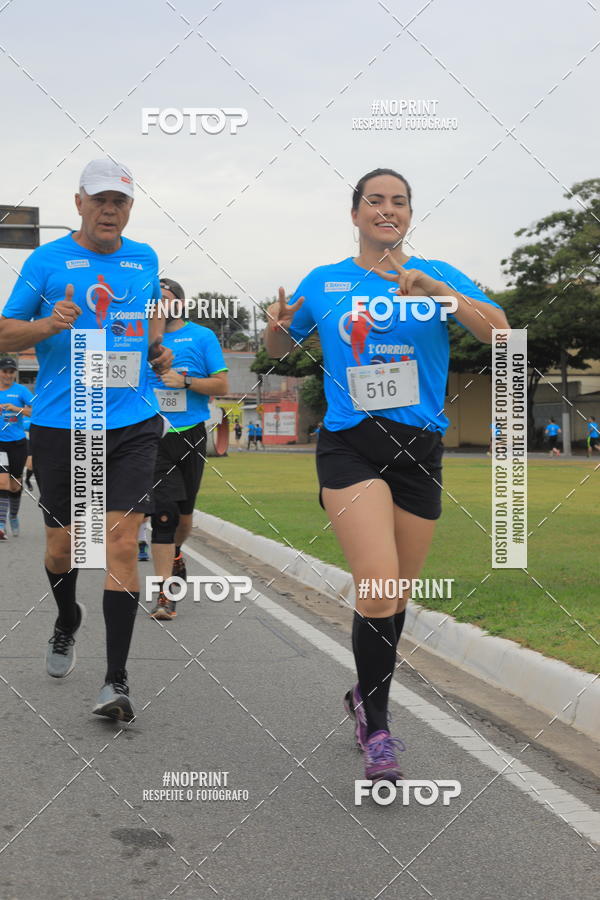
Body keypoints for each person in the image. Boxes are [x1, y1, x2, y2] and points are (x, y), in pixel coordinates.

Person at [264, 167, 509, 782]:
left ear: (409, 214)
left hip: (419, 449)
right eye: (375, 201)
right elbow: (277, 350)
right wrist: (272, 326)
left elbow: (504, 334)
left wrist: (436, 290)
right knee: (376, 583)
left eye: (399, 202)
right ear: (355, 214)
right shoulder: (325, 282)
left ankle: (362, 695)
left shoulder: (434, 275)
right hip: (350, 446)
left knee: (394, 593)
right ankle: (378, 725)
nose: (387, 210)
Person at [0, 158, 171, 722]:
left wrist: (155, 351)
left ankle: (115, 681)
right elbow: (4, 329)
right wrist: (48, 325)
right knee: (63, 548)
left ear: (129, 208)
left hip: (131, 420)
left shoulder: (144, 258)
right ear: (79, 203)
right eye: (99, 200)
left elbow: (146, 324)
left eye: (119, 201)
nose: (108, 209)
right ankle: (67, 618)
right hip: (60, 423)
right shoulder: (44, 261)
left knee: (121, 542)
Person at [147, 277, 228, 620]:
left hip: (190, 433)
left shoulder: (202, 336)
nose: (161, 305)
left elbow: (222, 384)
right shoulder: (142, 338)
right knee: (162, 516)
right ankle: (165, 595)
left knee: (184, 519)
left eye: (167, 299)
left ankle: (177, 552)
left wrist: (186, 381)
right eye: (156, 300)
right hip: (152, 436)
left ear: (179, 303)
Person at [0, 357, 33, 539]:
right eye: (5, 371)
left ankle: (13, 516)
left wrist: (16, 408)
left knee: (14, 486)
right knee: (2, 482)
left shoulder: (21, 391)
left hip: (18, 443)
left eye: (11, 372)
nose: (8, 375)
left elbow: (36, 410)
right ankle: (1, 525)